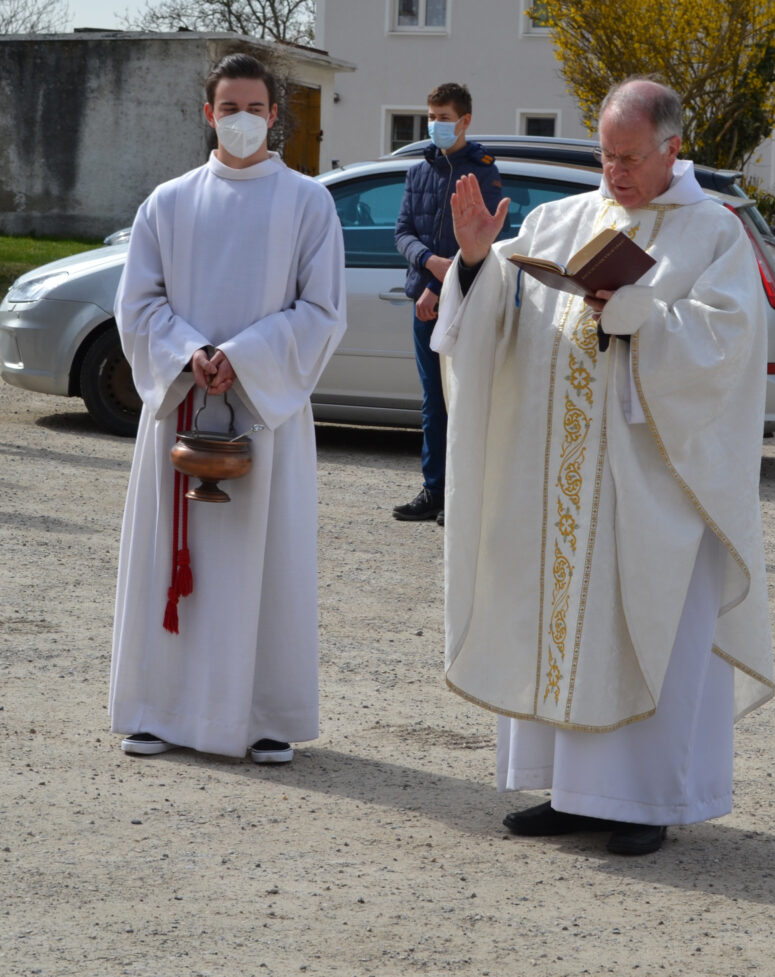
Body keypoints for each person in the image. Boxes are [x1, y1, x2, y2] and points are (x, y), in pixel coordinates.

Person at [429, 78, 774, 856]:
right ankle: (571, 791)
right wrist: (479, 262)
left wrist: (633, 312)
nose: (613, 172)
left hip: (651, 482)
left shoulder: (712, 233)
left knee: (641, 624)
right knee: (557, 617)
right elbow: (494, 324)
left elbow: (726, 348)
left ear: (671, 149)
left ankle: (644, 799)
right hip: (556, 476)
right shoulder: (559, 219)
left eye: (629, 157)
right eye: (605, 155)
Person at [109, 53, 346, 764]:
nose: (242, 120)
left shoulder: (308, 203)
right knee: (174, 561)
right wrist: (190, 353)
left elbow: (323, 311)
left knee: (264, 562)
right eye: (228, 107)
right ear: (208, 114)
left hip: (261, 414)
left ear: (275, 115)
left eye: (255, 107)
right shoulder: (168, 202)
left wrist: (240, 354)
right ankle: (159, 709)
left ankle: (265, 716)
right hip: (183, 407)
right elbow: (138, 302)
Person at [391, 83, 502, 525]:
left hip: (465, 301)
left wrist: (443, 281)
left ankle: (463, 496)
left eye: (443, 116)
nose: (435, 124)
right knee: (432, 402)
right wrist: (428, 263)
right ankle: (434, 491)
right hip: (423, 302)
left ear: (465, 121)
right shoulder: (419, 171)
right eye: (431, 115)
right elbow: (402, 232)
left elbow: (484, 238)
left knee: (465, 399)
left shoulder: (482, 171)